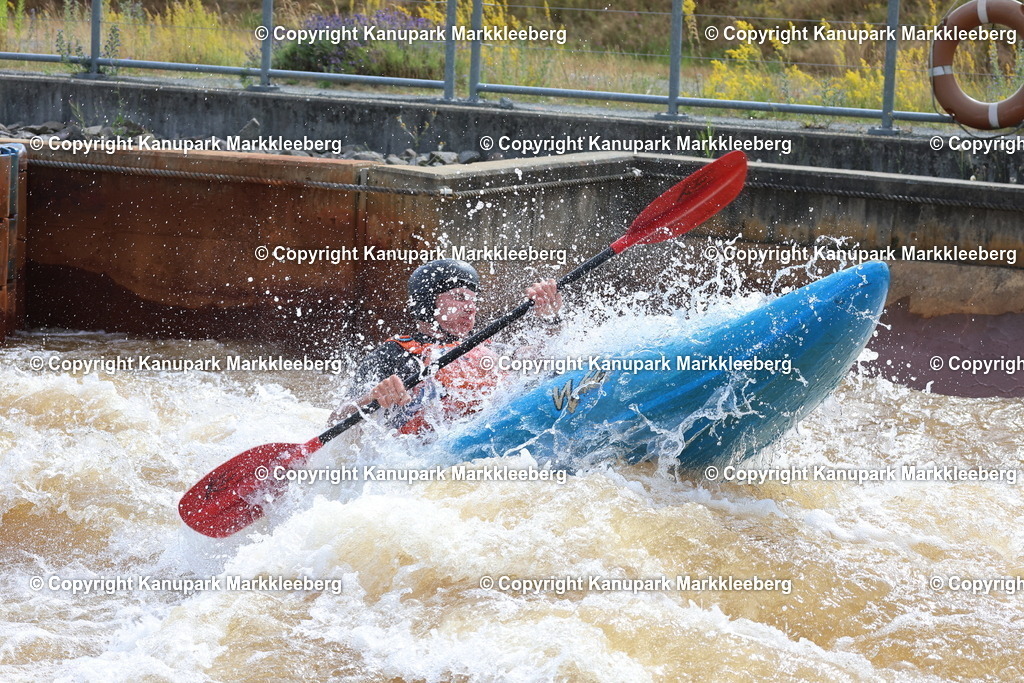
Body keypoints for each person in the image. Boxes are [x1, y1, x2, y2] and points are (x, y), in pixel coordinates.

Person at [329, 259, 563, 434]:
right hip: (422, 453)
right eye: (459, 297)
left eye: (473, 300)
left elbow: (542, 359)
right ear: (427, 301)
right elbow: (335, 419)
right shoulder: (393, 353)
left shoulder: (489, 348)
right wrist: (372, 397)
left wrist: (550, 317)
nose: (471, 308)